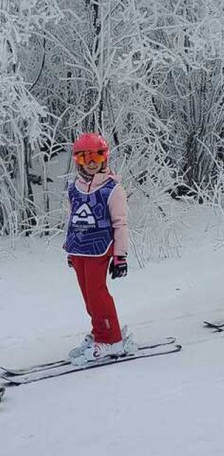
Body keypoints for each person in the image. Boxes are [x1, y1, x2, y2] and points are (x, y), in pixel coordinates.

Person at [64, 133, 135, 365]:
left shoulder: (112, 189)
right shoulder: (73, 188)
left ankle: (111, 339)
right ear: (78, 160)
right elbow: (72, 219)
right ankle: (99, 332)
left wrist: (120, 256)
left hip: (99, 248)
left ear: (104, 157)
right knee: (88, 297)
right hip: (79, 250)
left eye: (96, 155)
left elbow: (120, 224)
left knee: (97, 295)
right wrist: (69, 250)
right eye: (85, 157)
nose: (91, 161)